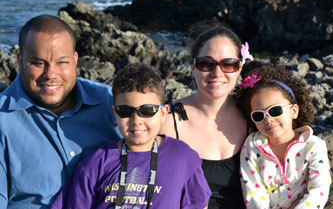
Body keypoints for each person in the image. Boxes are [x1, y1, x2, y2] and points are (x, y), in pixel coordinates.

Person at [50, 63, 211, 209]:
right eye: (125, 111)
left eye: (147, 111)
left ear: (163, 113)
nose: (136, 121)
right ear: (115, 113)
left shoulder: (183, 158)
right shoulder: (95, 164)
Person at [0, 15, 120, 209]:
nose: (50, 75)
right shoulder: (2, 121)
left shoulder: (109, 101)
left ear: (75, 60)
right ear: (20, 61)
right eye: (38, 63)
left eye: (62, 62)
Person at [161, 23, 253, 209]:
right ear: (192, 66)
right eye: (206, 63)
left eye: (228, 64)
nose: (217, 73)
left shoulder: (254, 118)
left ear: (240, 67)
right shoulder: (168, 122)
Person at [237, 65, 332, 209]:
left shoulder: (314, 146)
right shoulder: (252, 146)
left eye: (275, 111)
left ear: (293, 111)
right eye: (258, 115)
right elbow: (253, 194)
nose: (268, 120)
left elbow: (319, 190)